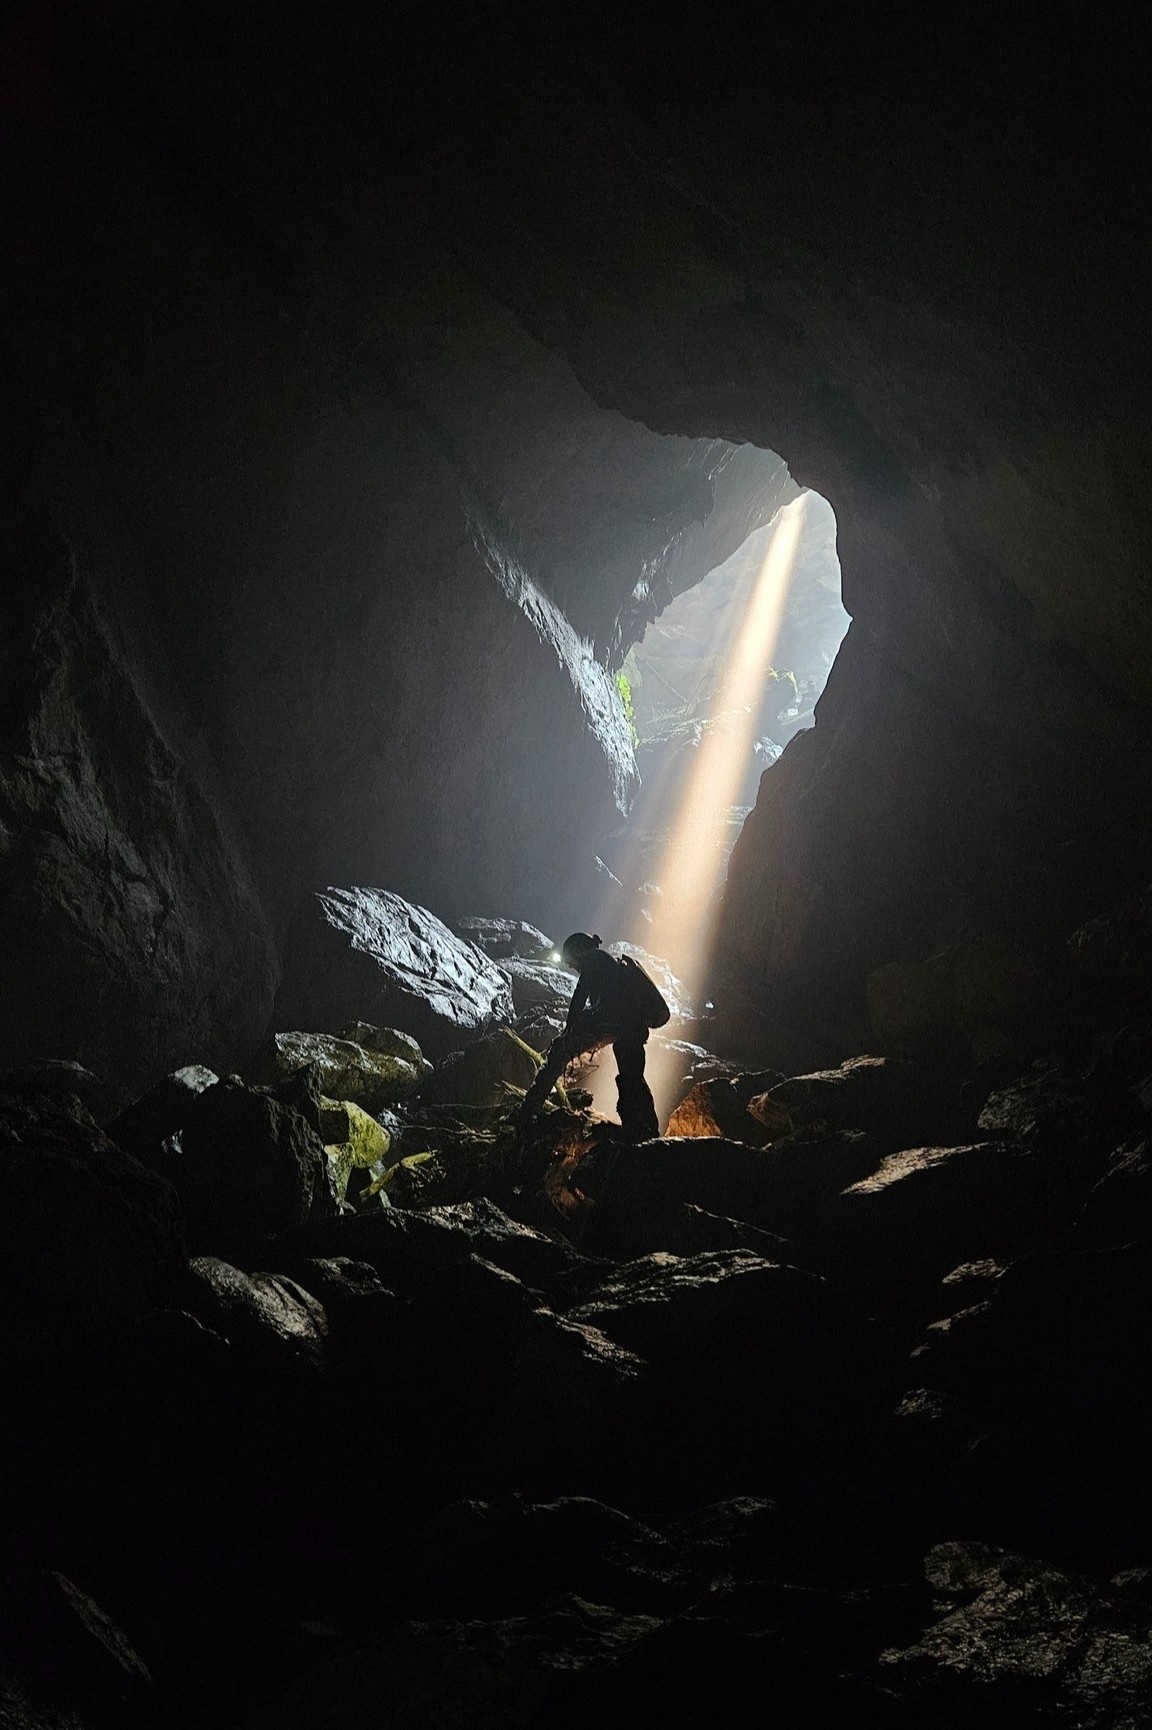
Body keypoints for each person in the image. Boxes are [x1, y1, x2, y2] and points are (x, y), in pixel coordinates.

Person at [516, 932, 661, 1139]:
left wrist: (568, 1033)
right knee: (632, 1075)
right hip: (632, 1028)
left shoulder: (593, 959)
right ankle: (643, 1127)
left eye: (572, 962)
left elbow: (579, 999)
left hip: (612, 1021)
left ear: (577, 953)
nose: (572, 967)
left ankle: (527, 1117)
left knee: (558, 1054)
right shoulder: (608, 963)